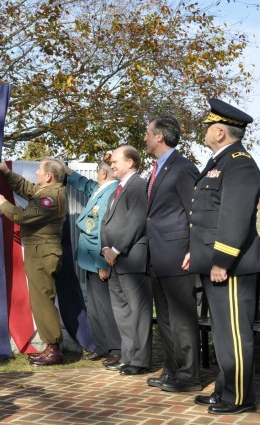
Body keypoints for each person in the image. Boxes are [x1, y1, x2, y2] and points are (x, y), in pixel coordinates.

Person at [183, 98, 260, 415]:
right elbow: (205, 215)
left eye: (206, 127)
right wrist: (196, 252)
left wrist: (221, 261)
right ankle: (224, 390)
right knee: (223, 332)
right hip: (214, 262)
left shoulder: (239, 162)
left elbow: (235, 217)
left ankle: (240, 396)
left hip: (230, 266)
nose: (203, 131)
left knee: (234, 334)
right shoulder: (219, 162)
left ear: (219, 131)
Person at [0, 159, 67, 366]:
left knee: (43, 300)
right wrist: (7, 172)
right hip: (39, 251)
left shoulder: (52, 196)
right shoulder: (47, 192)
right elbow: (27, 189)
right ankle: (51, 346)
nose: (37, 174)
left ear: (49, 176)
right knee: (40, 299)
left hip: (43, 253)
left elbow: (26, 216)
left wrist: (3, 203)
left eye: (40, 170)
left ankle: (53, 349)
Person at [143, 116, 201, 392]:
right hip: (157, 255)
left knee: (182, 318)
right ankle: (172, 371)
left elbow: (196, 212)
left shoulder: (182, 168)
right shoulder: (155, 170)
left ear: (159, 137)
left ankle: (189, 377)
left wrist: (193, 249)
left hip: (178, 255)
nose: (144, 138)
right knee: (165, 318)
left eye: (147, 133)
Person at [64, 158, 122, 366]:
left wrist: (102, 264)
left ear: (103, 174)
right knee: (96, 307)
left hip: (99, 259)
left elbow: (103, 230)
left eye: (98, 171)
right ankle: (101, 344)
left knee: (106, 307)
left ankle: (116, 348)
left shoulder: (111, 193)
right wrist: (68, 172)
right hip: (90, 258)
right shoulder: (102, 188)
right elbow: (86, 185)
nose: (96, 175)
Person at [100, 146, 152, 375]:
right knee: (122, 311)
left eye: (115, 161)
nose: (111, 164)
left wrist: (116, 249)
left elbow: (136, 220)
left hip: (131, 258)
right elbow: (105, 222)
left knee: (137, 312)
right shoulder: (116, 190)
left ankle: (140, 361)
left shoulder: (139, 185)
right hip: (114, 260)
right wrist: (104, 248)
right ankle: (128, 357)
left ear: (130, 162)